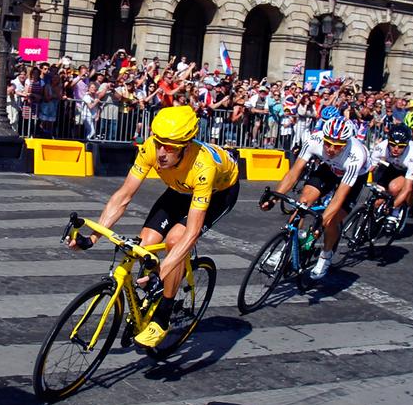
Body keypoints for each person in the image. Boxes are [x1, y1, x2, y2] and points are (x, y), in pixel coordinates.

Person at [66, 106, 240, 348]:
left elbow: (191, 234)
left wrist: (162, 272)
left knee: (175, 241)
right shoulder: (150, 148)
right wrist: (93, 237)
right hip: (179, 189)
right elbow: (124, 195)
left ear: (185, 146)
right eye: (159, 143)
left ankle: (163, 314)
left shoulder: (203, 167)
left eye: (169, 147)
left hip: (219, 192)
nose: (160, 152)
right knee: (144, 244)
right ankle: (152, 295)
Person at [263, 116, 371, 281]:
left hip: (352, 179)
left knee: (330, 221)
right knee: (303, 202)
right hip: (328, 169)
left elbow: (340, 196)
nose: (330, 149)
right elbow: (294, 172)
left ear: (346, 143)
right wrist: (274, 199)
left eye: (337, 146)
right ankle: (288, 246)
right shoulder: (314, 139)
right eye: (327, 143)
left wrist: (322, 221)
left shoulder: (355, 155)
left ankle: (325, 256)